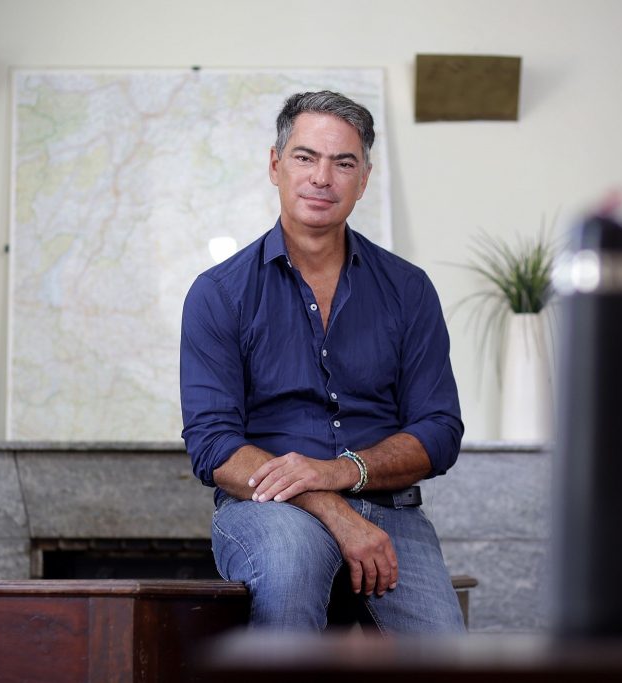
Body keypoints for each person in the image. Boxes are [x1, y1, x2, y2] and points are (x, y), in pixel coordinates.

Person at [180, 90, 465, 633]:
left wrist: (341, 472)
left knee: (444, 655)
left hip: (390, 511)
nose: (322, 177)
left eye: (343, 163)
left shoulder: (408, 289)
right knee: (289, 571)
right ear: (275, 165)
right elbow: (213, 444)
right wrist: (332, 507)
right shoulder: (219, 294)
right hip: (268, 509)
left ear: (364, 179)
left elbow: (439, 430)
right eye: (305, 157)